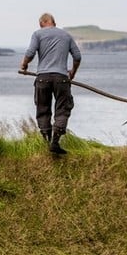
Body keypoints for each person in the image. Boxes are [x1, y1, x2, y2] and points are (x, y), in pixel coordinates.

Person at [19, 13, 82, 154]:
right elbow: (77, 56)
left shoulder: (38, 34)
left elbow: (30, 53)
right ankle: (55, 142)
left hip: (42, 78)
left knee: (43, 109)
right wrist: (72, 72)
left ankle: (46, 141)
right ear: (54, 22)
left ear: (42, 23)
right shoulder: (66, 35)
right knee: (63, 109)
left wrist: (24, 65)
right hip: (62, 78)